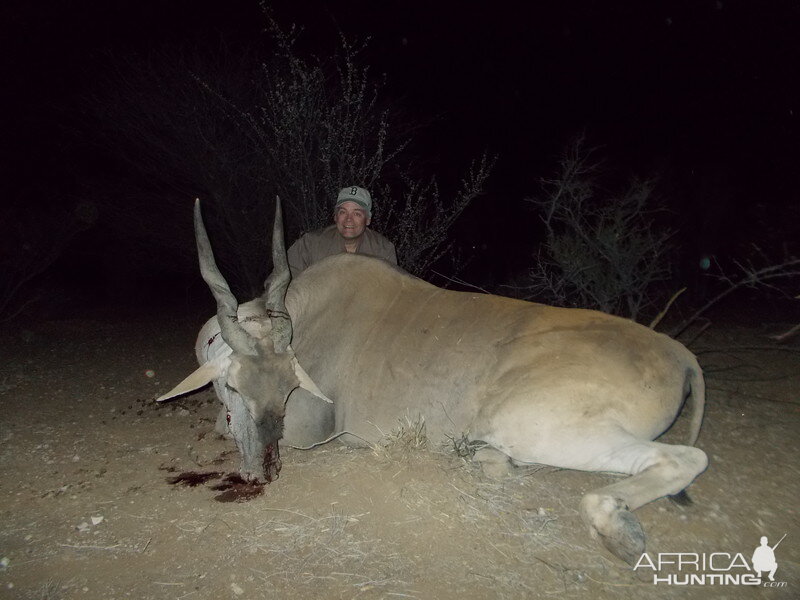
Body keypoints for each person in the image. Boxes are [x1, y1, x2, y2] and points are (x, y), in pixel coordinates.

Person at [287, 186, 397, 277]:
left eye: (357, 213)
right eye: (343, 212)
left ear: (368, 219)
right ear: (335, 216)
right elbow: (280, 281)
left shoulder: (383, 250)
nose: (348, 219)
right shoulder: (310, 244)